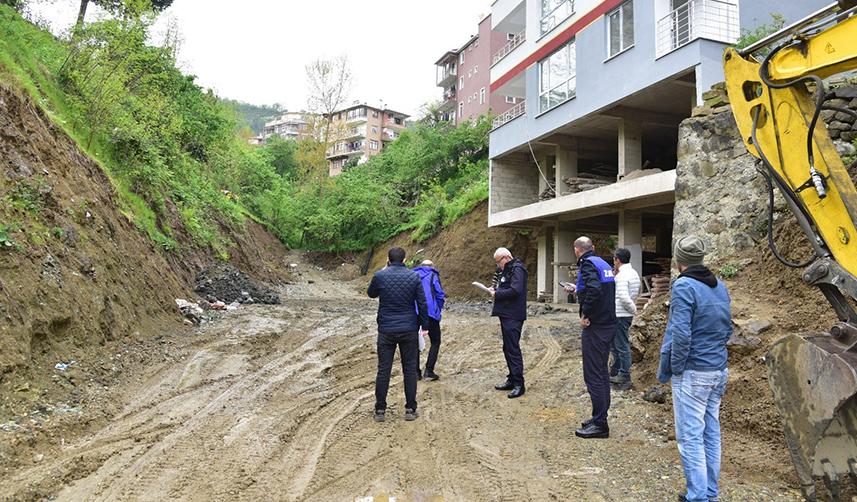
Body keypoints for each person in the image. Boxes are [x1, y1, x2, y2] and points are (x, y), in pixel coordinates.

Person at [657, 236, 732, 502]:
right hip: (717, 370)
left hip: (693, 372)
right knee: (711, 432)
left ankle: (697, 496)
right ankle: (709, 492)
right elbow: (728, 328)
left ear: (679, 262)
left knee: (690, 437)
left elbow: (681, 334)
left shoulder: (684, 287)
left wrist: (676, 368)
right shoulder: (720, 286)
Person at [367, 247, 429, 422]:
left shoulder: (380, 276)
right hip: (409, 328)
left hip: (386, 329)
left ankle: (380, 410)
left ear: (388, 259)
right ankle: (410, 409)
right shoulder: (414, 276)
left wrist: (383, 270)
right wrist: (425, 325)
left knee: (383, 369)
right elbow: (422, 303)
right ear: (405, 260)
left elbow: (371, 294)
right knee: (409, 369)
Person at [570, 236, 616, 439]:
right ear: (593, 248)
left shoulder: (587, 264)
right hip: (607, 324)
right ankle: (599, 417)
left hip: (596, 326)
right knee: (602, 373)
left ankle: (600, 424)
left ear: (577, 251)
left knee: (593, 375)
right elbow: (597, 288)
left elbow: (595, 290)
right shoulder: (602, 263)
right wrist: (576, 289)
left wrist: (585, 314)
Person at [488, 247, 528, 399]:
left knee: (513, 349)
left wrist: (497, 294)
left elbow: (516, 290)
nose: (498, 265)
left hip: (514, 314)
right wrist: (495, 288)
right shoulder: (506, 270)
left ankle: (519, 384)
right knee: (507, 348)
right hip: (505, 314)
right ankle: (512, 379)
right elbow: (505, 286)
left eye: (498, 262)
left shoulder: (517, 269)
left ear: (505, 258)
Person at [610, 248, 640, 391]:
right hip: (624, 314)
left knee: (621, 346)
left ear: (617, 260)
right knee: (616, 345)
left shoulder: (622, 276)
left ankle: (623, 374)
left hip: (620, 314)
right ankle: (615, 370)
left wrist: (634, 310)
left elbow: (623, 297)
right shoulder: (633, 273)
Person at [413, 259, 446, 381]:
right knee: (435, 341)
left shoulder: (413, 274)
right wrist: (438, 308)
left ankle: (416, 373)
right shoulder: (433, 275)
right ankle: (429, 370)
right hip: (430, 312)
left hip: (414, 312)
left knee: (414, 342)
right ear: (432, 266)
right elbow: (439, 294)